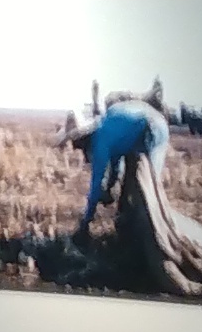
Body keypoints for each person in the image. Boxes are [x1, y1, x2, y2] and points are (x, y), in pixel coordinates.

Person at [70, 88, 166, 235]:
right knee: (135, 185)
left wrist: (86, 221)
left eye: (79, 145)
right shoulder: (108, 127)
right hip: (150, 125)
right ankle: (130, 225)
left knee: (149, 189)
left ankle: (152, 233)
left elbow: (96, 183)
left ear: (84, 138)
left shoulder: (99, 142)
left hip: (152, 130)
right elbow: (116, 166)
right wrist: (109, 187)